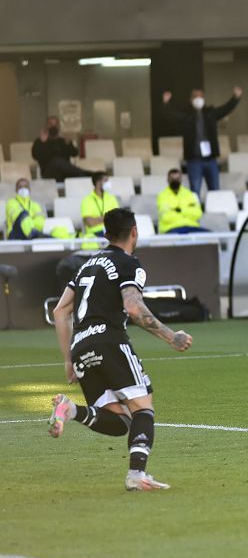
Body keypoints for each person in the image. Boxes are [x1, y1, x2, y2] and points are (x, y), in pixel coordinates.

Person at [47, 208, 193, 491]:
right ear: (134, 232)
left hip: (81, 346)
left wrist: (68, 360)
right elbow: (133, 306)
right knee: (143, 408)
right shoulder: (129, 264)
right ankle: (137, 475)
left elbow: (60, 309)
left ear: (106, 234)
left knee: (119, 420)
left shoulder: (86, 265)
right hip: (110, 341)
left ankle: (71, 410)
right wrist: (171, 336)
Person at [162, 86, 242, 194]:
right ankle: (196, 211)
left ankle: (214, 210)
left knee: (215, 191)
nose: (198, 99)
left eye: (201, 96)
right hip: (194, 160)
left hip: (211, 159)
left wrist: (235, 98)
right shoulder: (186, 114)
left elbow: (225, 109)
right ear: (190, 99)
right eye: (195, 96)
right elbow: (173, 115)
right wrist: (166, 104)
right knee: (195, 192)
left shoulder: (210, 112)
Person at [5, 177, 71, 239]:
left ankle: (66, 238)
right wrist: (31, 220)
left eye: (25, 187)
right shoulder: (11, 202)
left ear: (29, 189)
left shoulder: (35, 205)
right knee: (23, 214)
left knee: (59, 231)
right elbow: (17, 217)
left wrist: (32, 225)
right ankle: (33, 234)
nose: (23, 189)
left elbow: (40, 221)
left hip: (35, 232)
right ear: (16, 190)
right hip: (15, 233)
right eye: (20, 187)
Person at [31, 116, 89, 181]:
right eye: (50, 124)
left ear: (58, 126)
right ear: (46, 126)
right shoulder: (40, 141)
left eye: (56, 124)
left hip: (65, 173)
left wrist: (69, 144)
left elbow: (75, 153)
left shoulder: (63, 141)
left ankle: (89, 175)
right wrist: (42, 143)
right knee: (56, 161)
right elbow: (35, 155)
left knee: (60, 163)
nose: (53, 126)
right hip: (49, 174)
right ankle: (86, 174)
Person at [156, 168, 208, 234]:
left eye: (177, 178)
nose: (175, 180)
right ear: (167, 180)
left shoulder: (190, 194)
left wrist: (180, 210)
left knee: (213, 237)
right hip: (171, 228)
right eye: (172, 178)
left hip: (192, 227)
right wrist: (187, 211)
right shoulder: (162, 196)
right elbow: (166, 217)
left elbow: (198, 214)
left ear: (181, 179)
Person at [80, 172, 119, 240]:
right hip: (94, 234)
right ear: (98, 182)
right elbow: (90, 223)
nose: (108, 183)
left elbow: (117, 218)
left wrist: (98, 219)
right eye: (106, 180)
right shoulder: (86, 200)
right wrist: (108, 218)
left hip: (111, 232)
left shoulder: (112, 198)